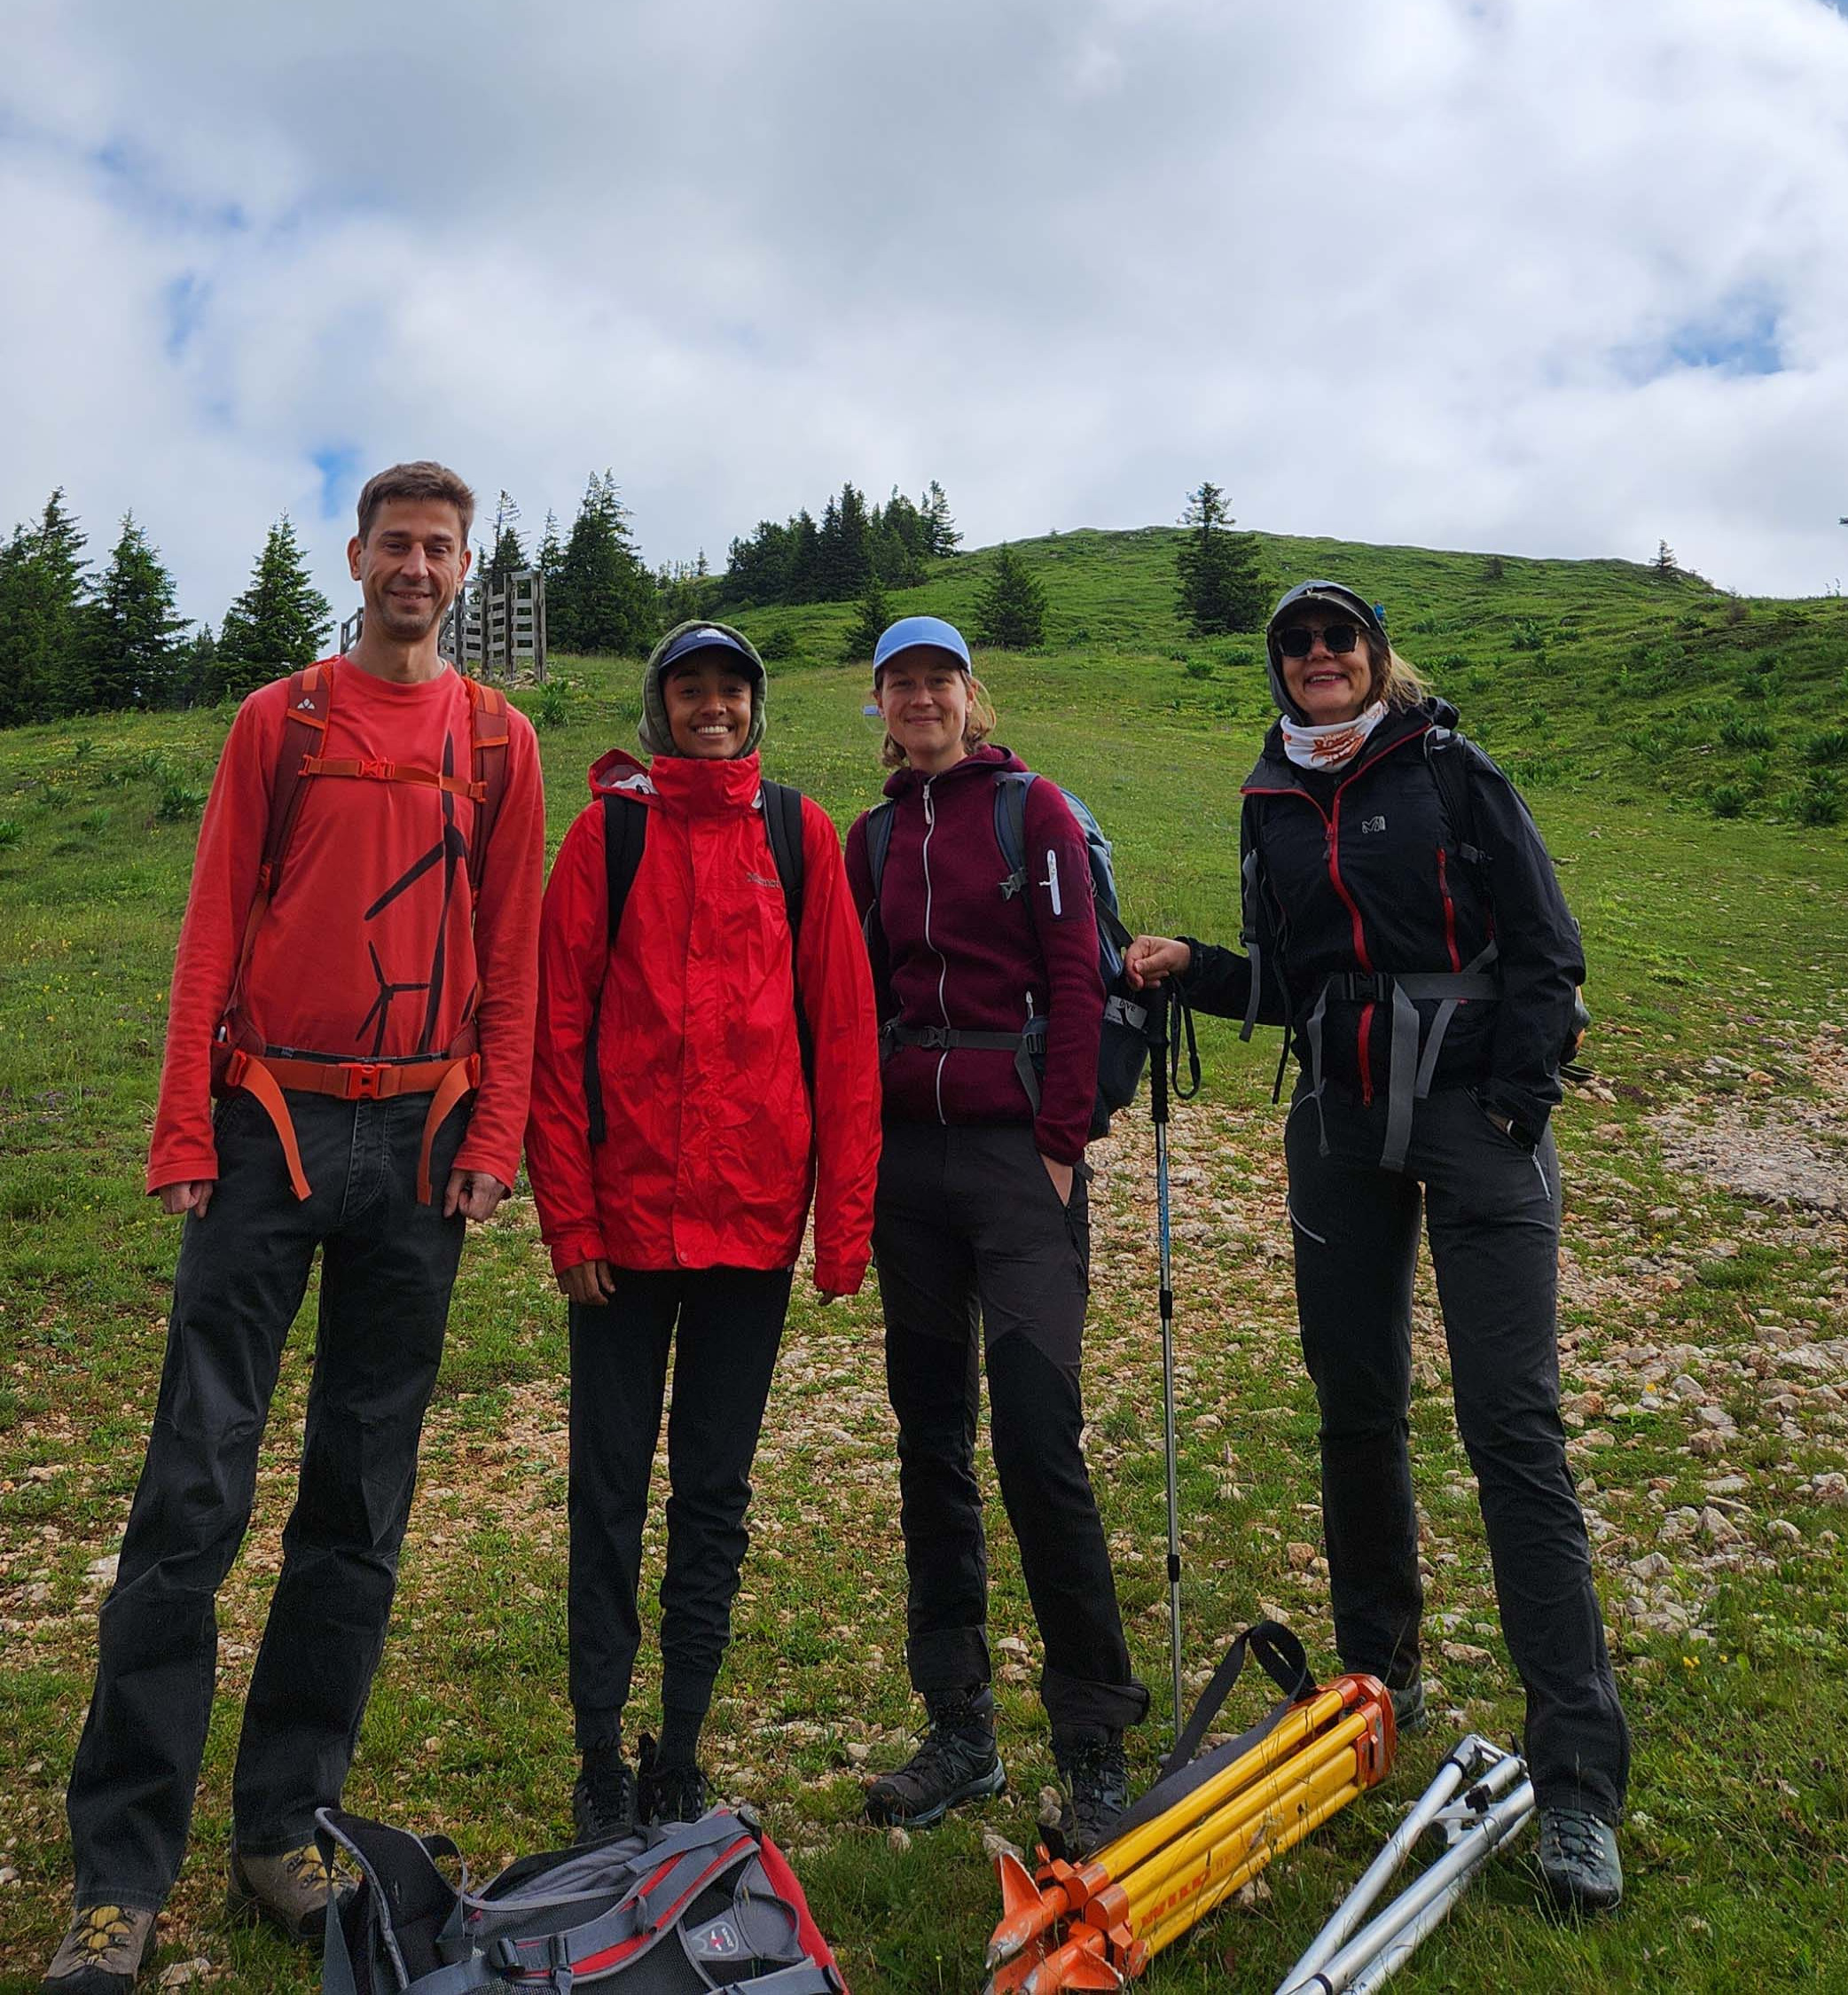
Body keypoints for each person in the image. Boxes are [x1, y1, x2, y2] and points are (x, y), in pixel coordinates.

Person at [42, 462, 547, 1994]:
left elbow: (515, 953)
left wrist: (497, 1138)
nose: (415, 566)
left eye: (439, 548)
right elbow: (212, 922)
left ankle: (284, 1825)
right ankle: (119, 1874)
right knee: (189, 1495)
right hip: (267, 1127)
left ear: (463, 571)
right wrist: (181, 1125)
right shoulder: (283, 720)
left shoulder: (498, 740)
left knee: (358, 1506)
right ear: (358, 555)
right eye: (394, 543)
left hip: (420, 1142)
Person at [1123, 579, 1629, 1912]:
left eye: (1338, 637)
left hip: (1477, 1122)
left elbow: (1547, 947)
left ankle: (1576, 1780)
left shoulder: (1453, 773)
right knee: (1355, 1406)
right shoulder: (1272, 798)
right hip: (1338, 1121)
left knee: (1512, 1427)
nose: (1318, 658)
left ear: (1375, 654)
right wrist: (1204, 968)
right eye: (1295, 644)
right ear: (1278, 669)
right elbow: (1300, 982)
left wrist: (1517, 1101)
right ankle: (1376, 1681)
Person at [528, 621, 881, 1841]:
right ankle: (595, 1758)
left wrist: (844, 1226)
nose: (714, 705)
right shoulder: (604, 837)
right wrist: (566, 1216)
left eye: (733, 688)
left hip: (751, 1229)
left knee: (714, 1495)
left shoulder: (800, 835)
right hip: (620, 1237)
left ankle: (678, 1747)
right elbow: (553, 1036)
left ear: (756, 706)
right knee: (607, 1494)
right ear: (660, 703)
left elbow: (842, 1031)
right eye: (693, 688)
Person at [845, 615, 1149, 1856]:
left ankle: (1092, 1739)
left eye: (938, 681)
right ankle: (960, 1729)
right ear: (879, 705)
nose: (921, 700)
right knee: (931, 1440)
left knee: (1036, 1437)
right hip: (909, 1170)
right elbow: (857, 996)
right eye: (899, 685)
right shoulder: (869, 838)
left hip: (1022, 1161)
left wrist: (1063, 1140)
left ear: (973, 695)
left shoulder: (1039, 812)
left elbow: (1080, 978)